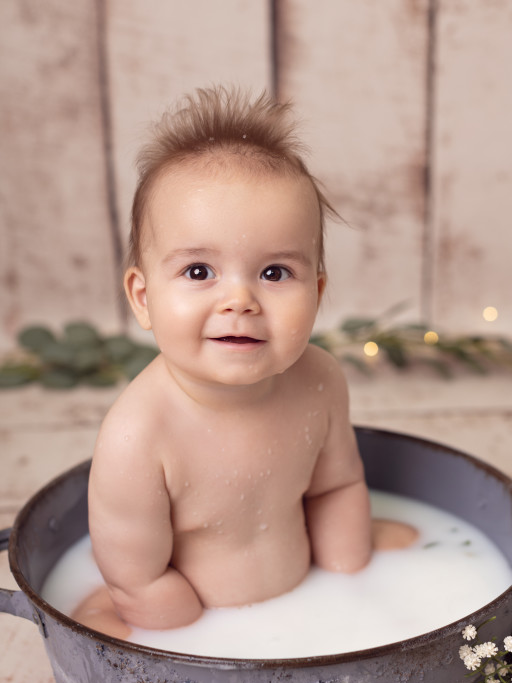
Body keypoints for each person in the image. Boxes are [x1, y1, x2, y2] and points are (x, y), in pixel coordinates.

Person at [73, 86, 416, 639]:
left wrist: (354, 579)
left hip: (308, 600)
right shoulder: (139, 434)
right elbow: (136, 577)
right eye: (199, 272)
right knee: (109, 620)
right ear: (142, 298)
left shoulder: (320, 380)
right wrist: (197, 644)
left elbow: (336, 487)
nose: (240, 301)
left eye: (275, 273)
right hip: (189, 622)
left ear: (318, 293)